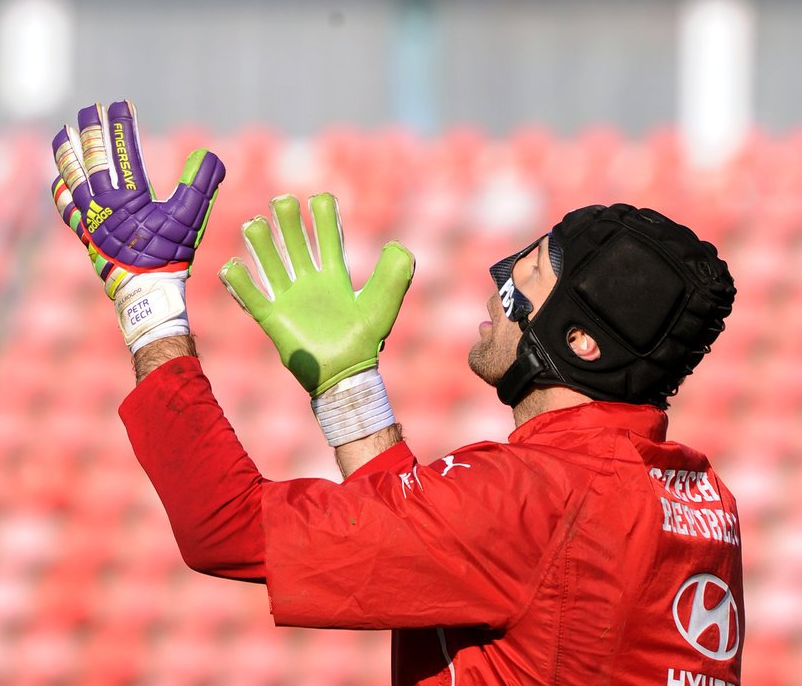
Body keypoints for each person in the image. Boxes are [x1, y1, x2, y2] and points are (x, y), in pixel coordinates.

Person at [52, 100, 744, 686]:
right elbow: (451, 557)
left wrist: (149, 303)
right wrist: (347, 385)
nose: (497, 287)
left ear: (580, 342)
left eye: (525, 277)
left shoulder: (532, 498)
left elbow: (224, 527)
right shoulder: (697, 497)